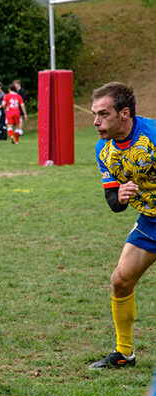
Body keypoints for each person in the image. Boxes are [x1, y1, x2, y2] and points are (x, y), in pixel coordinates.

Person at [88, 82, 156, 370]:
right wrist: (121, 196)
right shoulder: (103, 150)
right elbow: (112, 200)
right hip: (151, 221)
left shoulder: (153, 135)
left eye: (103, 114)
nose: (96, 121)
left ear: (124, 114)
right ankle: (124, 353)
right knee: (120, 280)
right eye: (94, 114)